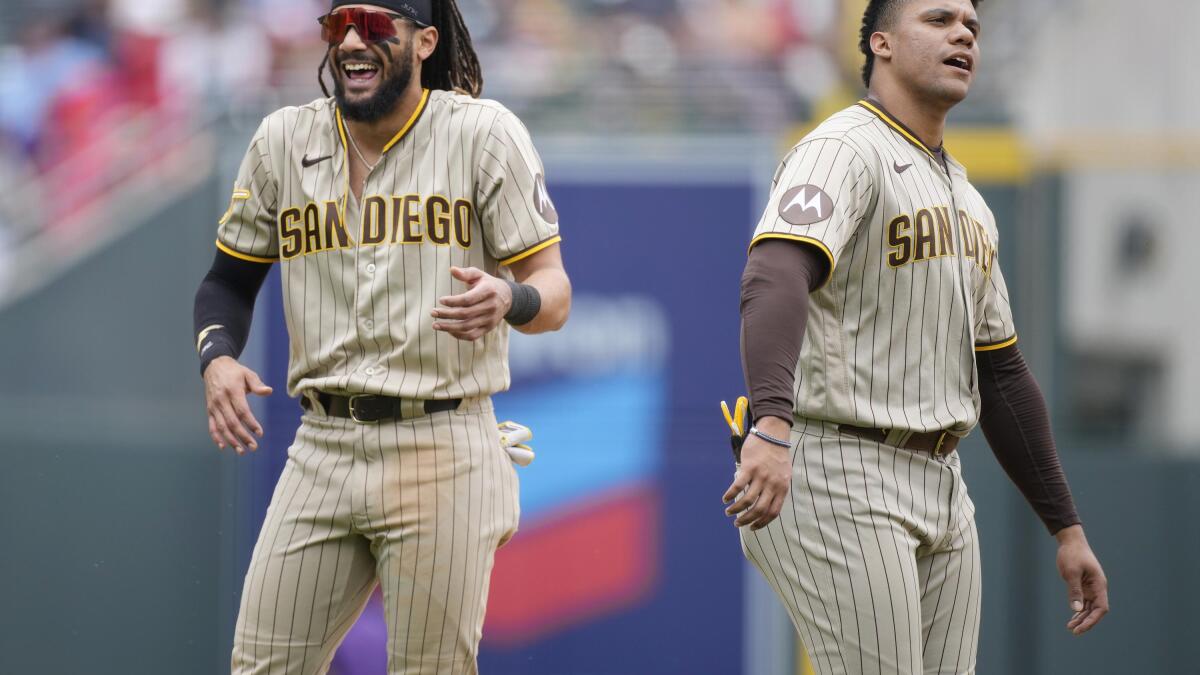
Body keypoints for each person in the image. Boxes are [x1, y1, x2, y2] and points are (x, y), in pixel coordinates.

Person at [723, 0, 1108, 672]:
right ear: (881, 44)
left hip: (941, 483)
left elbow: (1003, 374)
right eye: (938, 19)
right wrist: (773, 423)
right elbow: (774, 274)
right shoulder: (842, 147)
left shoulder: (968, 198)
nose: (963, 32)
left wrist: (1066, 525)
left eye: (972, 26)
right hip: (835, 462)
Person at [191, 1, 571, 672]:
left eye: (374, 23)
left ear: (425, 41)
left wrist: (512, 297)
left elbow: (555, 292)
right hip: (323, 446)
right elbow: (226, 284)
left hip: (443, 442)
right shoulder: (283, 139)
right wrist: (217, 357)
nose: (353, 40)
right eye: (339, 24)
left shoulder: (482, 133)